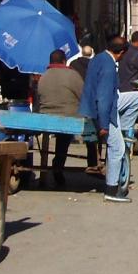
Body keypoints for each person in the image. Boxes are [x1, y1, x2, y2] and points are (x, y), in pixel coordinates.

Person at [80, 36, 131, 203]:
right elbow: (104, 98)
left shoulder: (98, 58)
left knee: (135, 98)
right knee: (117, 149)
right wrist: (104, 125)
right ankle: (111, 189)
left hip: (93, 109)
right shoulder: (109, 66)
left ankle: (112, 188)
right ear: (121, 52)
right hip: (105, 114)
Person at [35, 49, 84, 188]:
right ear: (64, 61)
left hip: (45, 117)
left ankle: (54, 166)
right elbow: (83, 95)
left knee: (61, 132)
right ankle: (58, 164)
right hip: (68, 117)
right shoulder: (73, 75)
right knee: (65, 136)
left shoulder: (43, 77)